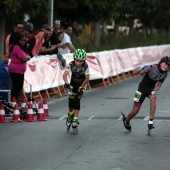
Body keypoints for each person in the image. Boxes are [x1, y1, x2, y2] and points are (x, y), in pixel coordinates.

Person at [122, 56, 170, 131]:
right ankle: (126, 121)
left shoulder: (164, 74)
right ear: (161, 62)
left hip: (150, 89)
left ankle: (151, 121)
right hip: (141, 89)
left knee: (153, 97)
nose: (166, 66)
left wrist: (154, 91)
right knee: (135, 111)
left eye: (168, 66)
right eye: (165, 64)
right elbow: (136, 73)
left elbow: (158, 86)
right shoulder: (152, 67)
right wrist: (143, 69)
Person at [63, 49, 90, 128]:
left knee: (77, 99)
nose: (78, 63)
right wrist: (66, 83)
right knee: (71, 100)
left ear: (84, 61)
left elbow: (87, 78)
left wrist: (81, 87)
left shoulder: (86, 66)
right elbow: (65, 74)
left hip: (82, 83)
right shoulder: (71, 64)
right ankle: (70, 114)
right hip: (73, 83)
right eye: (77, 61)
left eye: (80, 61)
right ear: (74, 59)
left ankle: (75, 119)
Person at [8, 35, 30, 101]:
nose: (23, 42)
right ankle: (13, 101)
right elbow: (24, 58)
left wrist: (27, 57)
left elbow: (28, 56)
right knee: (16, 87)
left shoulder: (22, 48)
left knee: (19, 87)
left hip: (20, 70)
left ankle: (14, 100)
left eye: (24, 40)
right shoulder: (16, 47)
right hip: (15, 69)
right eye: (21, 40)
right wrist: (27, 57)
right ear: (18, 40)